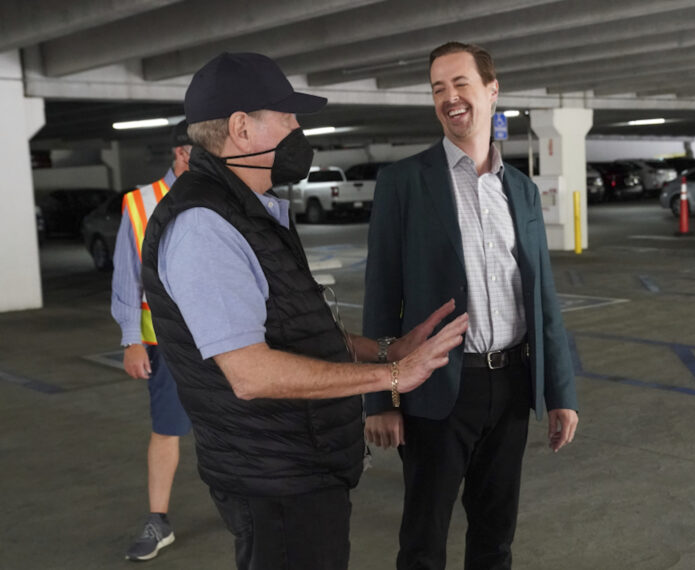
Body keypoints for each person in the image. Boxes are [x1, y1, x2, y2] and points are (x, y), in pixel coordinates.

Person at [139, 52, 468, 570]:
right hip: (274, 478)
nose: (298, 130)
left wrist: (387, 347)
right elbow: (248, 372)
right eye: (287, 117)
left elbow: (296, 330)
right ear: (241, 128)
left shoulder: (251, 209)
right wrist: (394, 375)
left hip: (297, 467)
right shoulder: (205, 225)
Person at [362, 42, 579, 569]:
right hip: (435, 387)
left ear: (491, 90)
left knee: (495, 537)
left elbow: (542, 298)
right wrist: (382, 396)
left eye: (460, 84)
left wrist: (560, 392)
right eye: (438, 88)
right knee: (423, 541)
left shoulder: (522, 191)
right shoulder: (404, 183)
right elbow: (381, 293)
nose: (450, 98)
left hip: (509, 388)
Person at [112, 120, 192, 561]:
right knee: (167, 428)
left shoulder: (221, 193)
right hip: (166, 342)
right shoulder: (141, 203)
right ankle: (157, 520)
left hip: (226, 339)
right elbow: (128, 276)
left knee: (239, 422)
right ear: (182, 154)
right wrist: (130, 339)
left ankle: (245, 503)